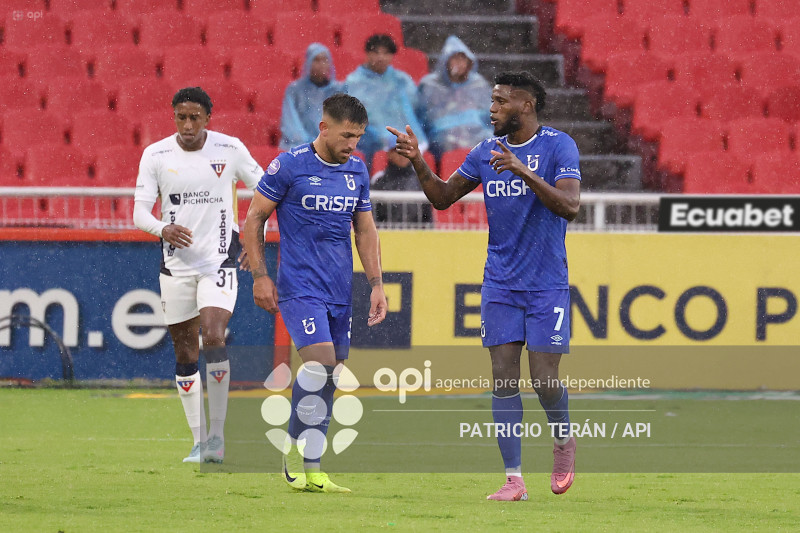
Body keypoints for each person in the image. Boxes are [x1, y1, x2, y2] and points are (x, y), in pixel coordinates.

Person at [388, 72, 581, 501]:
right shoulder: (483, 153)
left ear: (525, 106)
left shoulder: (558, 145)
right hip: (500, 282)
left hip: (547, 283)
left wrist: (523, 171)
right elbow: (441, 198)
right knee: (503, 376)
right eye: (491, 101)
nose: (490, 108)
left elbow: (569, 206)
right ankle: (514, 479)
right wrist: (419, 160)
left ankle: (564, 440)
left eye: (499, 101)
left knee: (545, 380)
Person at [243, 93, 387, 493]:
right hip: (300, 287)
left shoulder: (356, 170)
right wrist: (259, 275)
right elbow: (254, 217)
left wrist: (376, 284)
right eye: (346, 135)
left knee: (331, 376)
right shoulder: (288, 166)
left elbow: (365, 230)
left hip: (340, 288)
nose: (353, 145)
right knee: (321, 363)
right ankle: (289, 447)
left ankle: (313, 468)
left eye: (358, 137)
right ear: (323, 128)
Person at [133, 87, 263, 464]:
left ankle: (218, 437)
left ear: (208, 117)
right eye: (180, 117)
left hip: (218, 263)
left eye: (194, 117)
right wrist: (162, 229)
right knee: (185, 352)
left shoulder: (230, 149)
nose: (187, 124)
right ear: (173, 117)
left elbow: (265, 193)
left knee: (212, 335)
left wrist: (254, 242)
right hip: (175, 267)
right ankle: (198, 439)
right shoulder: (155, 155)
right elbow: (140, 213)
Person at [344, 33, 428, 167]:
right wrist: (381, 138)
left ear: (392, 56)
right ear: (367, 54)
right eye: (376, 52)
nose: (381, 57)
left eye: (386, 53)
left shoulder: (402, 80)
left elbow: (417, 111)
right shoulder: (354, 83)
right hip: (370, 142)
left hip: (407, 138)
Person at [417, 35, 492, 159]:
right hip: (441, 134)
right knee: (445, 142)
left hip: (475, 130)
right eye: (455, 59)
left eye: (463, 60)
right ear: (445, 61)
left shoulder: (478, 84)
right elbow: (423, 117)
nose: (459, 64)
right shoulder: (430, 85)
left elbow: (489, 115)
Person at [279, 43, 345, 150]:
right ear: (308, 63)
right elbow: (291, 123)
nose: (321, 64)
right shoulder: (294, 91)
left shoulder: (339, 91)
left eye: (325, 60)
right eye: (316, 60)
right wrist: (310, 144)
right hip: (300, 146)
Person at [371, 147, 432, 225]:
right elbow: (374, 215)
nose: (402, 156)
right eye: (398, 152)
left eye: (406, 151)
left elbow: (427, 216)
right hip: (386, 233)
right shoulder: (378, 180)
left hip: (416, 234)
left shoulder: (421, 180)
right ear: (389, 154)